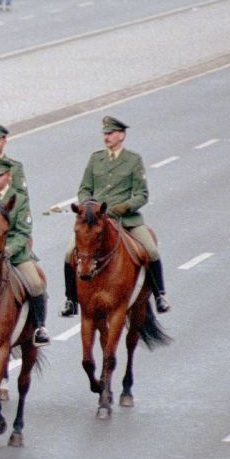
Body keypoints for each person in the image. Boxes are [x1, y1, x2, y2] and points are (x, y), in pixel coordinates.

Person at [64, 114, 168, 315]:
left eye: (111, 133)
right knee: (70, 253)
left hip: (126, 219)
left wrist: (125, 206)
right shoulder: (96, 159)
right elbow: (85, 189)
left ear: (122, 135)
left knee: (151, 250)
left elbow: (142, 194)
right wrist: (88, 206)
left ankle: (159, 295)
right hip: (96, 221)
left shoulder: (133, 160)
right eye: (105, 134)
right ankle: (70, 300)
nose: (106, 137)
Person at [0, 157, 50, 344]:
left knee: (36, 284)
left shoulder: (19, 199)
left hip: (14, 254)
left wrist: (9, 249)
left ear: (8, 176)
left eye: (0, 175)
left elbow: (23, 231)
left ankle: (39, 327)